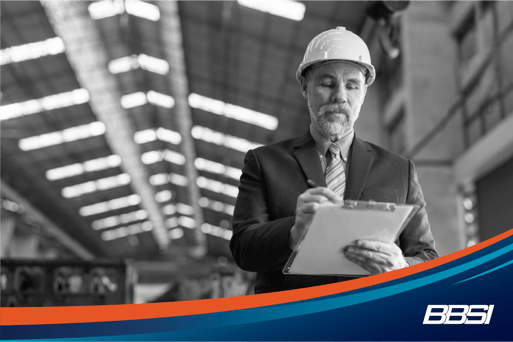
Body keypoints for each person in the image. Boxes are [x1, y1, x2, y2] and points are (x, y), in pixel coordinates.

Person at [230, 27, 438, 294]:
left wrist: (403, 267)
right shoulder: (264, 162)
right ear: (305, 87)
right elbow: (243, 249)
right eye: (327, 84)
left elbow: (427, 257)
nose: (340, 95)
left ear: (363, 93)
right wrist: (295, 231)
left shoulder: (399, 169)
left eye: (352, 85)